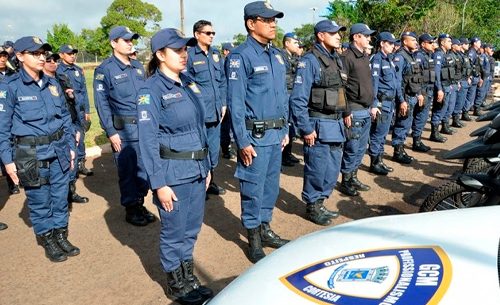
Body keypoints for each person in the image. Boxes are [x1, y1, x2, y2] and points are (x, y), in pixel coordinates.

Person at [137, 28, 213, 305]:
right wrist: (159, 184)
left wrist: (206, 168)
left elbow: (200, 129)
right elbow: (147, 142)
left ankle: (189, 276)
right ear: (159, 54)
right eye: (177, 50)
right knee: (174, 231)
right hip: (172, 174)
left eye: (186, 49)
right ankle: (176, 283)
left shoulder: (189, 83)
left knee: (191, 228)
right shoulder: (150, 91)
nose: (184, 55)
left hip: (195, 170)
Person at [0, 36, 79, 262]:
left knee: (60, 196)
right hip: (30, 154)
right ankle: (48, 240)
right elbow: (2, 128)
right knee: (40, 200)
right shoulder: (10, 87)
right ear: (21, 57)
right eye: (35, 54)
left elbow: (64, 116)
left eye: (43, 53)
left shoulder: (53, 83)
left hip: (59, 149)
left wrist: (71, 146)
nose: (41, 57)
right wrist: (8, 161)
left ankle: (61, 235)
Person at [226, 1, 290, 263]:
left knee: (271, 188)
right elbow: (236, 103)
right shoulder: (240, 56)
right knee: (253, 188)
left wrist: (285, 128)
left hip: (276, 136)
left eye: (274, 19)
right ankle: (253, 237)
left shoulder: (275, 55)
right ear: (251, 24)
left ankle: (265, 228)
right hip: (255, 137)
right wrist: (242, 140)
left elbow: (282, 96)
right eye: (267, 19)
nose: (273, 23)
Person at [94, 26, 155, 226]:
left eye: (132, 40)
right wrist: (110, 132)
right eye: (125, 40)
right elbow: (101, 103)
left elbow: (147, 96)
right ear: (113, 43)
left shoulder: (137, 67)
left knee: (144, 171)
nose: (130, 43)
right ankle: (131, 209)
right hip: (124, 131)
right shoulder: (105, 70)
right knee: (128, 172)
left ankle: (139, 202)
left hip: (143, 129)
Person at [290, 19, 347, 226]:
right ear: (320, 36)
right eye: (333, 33)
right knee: (317, 168)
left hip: (335, 125)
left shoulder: (335, 59)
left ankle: (321, 201)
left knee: (332, 169)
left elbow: (340, 93)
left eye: (339, 32)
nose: (338, 36)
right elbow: (298, 99)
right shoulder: (310, 61)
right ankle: (312, 206)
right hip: (319, 125)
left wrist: (345, 113)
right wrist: (305, 129)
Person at [186, 20, 227, 198]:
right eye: (207, 33)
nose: (211, 36)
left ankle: (211, 181)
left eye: (213, 33)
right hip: (200, 113)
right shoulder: (189, 55)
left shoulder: (216, 54)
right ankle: (199, 185)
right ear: (197, 34)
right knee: (199, 150)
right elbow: (186, 84)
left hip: (217, 111)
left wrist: (224, 103)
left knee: (213, 150)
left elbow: (223, 81)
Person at [44, 51, 88, 204]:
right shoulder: (41, 84)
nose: (53, 63)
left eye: (55, 60)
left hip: (70, 124)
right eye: (48, 60)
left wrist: (77, 126)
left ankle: (70, 193)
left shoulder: (62, 79)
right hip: (52, 131)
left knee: (72, 161)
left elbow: (71, 105)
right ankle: (57, 200)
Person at [337, 23, 376, 197]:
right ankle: (346, 180)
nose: (369, 38)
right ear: (356, 37)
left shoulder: (364, 56)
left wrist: (373, 104)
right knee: (352, 147)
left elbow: (368, 84)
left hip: (366, 110)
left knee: (361, 147)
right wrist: (346, 111)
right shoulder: (347, 57)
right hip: (354, 110)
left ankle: (353, 176)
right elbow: (341, 87)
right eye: (366, 35)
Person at [368, 32, 403, 175]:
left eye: (394, 44)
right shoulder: (377, 60)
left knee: (383, 134)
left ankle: (380, 161)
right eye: (390, 43)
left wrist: (400, 100)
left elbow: (395, 83)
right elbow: (373, 84)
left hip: (390, 103)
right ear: (382, 43)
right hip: (381, 103)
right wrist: (374, 105)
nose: (393, 46)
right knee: (377, 134)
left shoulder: (389, 59)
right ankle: (374, 163)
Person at [57, 44, 93, 177]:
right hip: (66, 110)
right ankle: (70, 167)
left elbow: (84, 92)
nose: (72, 56)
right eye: (69, 53)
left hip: (80, 109)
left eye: (73, 53)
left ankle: (80, 164)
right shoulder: (57, 71)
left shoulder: (79, 70)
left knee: (81, 136)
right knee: (69, 137)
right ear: (61, 55)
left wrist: (87, 111)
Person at [391, 31, 424, 164]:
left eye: (416, 40)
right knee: (402, 124)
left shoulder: (410, 56)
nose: (415, 42)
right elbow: (397, 81)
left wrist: (418, 93)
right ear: (405, 42)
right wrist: (401, 100)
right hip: (405, 96)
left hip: (412, 95)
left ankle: (401, 148)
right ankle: (397, 152)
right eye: (412, 40)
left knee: (407, 124)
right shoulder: (400, 57)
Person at [280, 32, 302, 167]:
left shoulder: (293, 57)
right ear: (287, 43)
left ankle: (287, 153)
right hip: (285, 94)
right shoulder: (281, 57)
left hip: (292, 93)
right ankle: (282, 155)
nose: (298, 45)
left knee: (291, 125)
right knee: (285, 125)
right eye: (295, 42)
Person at [412, 33, 435, 153]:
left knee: (424, 116)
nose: (432, 44)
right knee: (420, 116)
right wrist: (419, 92)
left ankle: (418, 139)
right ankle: (416, 141)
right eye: (430, 42)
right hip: (422, 91)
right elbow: (416, 76)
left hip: (428, 90)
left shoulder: (428, 55)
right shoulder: (419, 56)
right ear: (423, 44)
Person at [0, 47, 19, 194]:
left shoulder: (13, 75)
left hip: (9, 117)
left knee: (12, 147)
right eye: (0, 56)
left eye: (4, 56)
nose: (2, 58)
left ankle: (13, 181)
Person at [429, 33, 455, 142]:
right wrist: (439, 89)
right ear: (442, 43)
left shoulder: (446, 54)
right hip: (442, 87)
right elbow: (437, 73)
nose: (451, 43)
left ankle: (440, 130)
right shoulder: (438, 54)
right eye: (449, 41)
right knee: (439, 109)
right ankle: (434, 133)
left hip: (447, 86)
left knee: (444, 109)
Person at [220, 42, 237, 159]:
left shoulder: (233, 63)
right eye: (230, 51)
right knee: (226, 124)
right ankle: (226, 148)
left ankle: (230, 145)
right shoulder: (221, 62)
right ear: (225, 51)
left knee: (232, 123)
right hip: (225, 96)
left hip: (234, 96)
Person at [452, 38, 473, 128]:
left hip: (464, 80)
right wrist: (459, 81)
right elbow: (457, 71)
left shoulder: (463, 55)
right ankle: (455, 120)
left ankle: (457, 119)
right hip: (460, 81)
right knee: (458, 102)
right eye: (465, 44)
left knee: (461, 101)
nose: (467, 45)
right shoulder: (458, 56)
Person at [463, 36, 483, 119]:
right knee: (469, 96)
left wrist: (480, 77)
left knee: (472, 96)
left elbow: (479, 66)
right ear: (474, 43)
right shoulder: (471, 52)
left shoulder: (476, 52)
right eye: (479, 42)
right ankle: (465, 113)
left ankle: (466, 112)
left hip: (476, 76)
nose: (480, 44)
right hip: (472, 77)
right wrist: (470, 76)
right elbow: (469, 66)